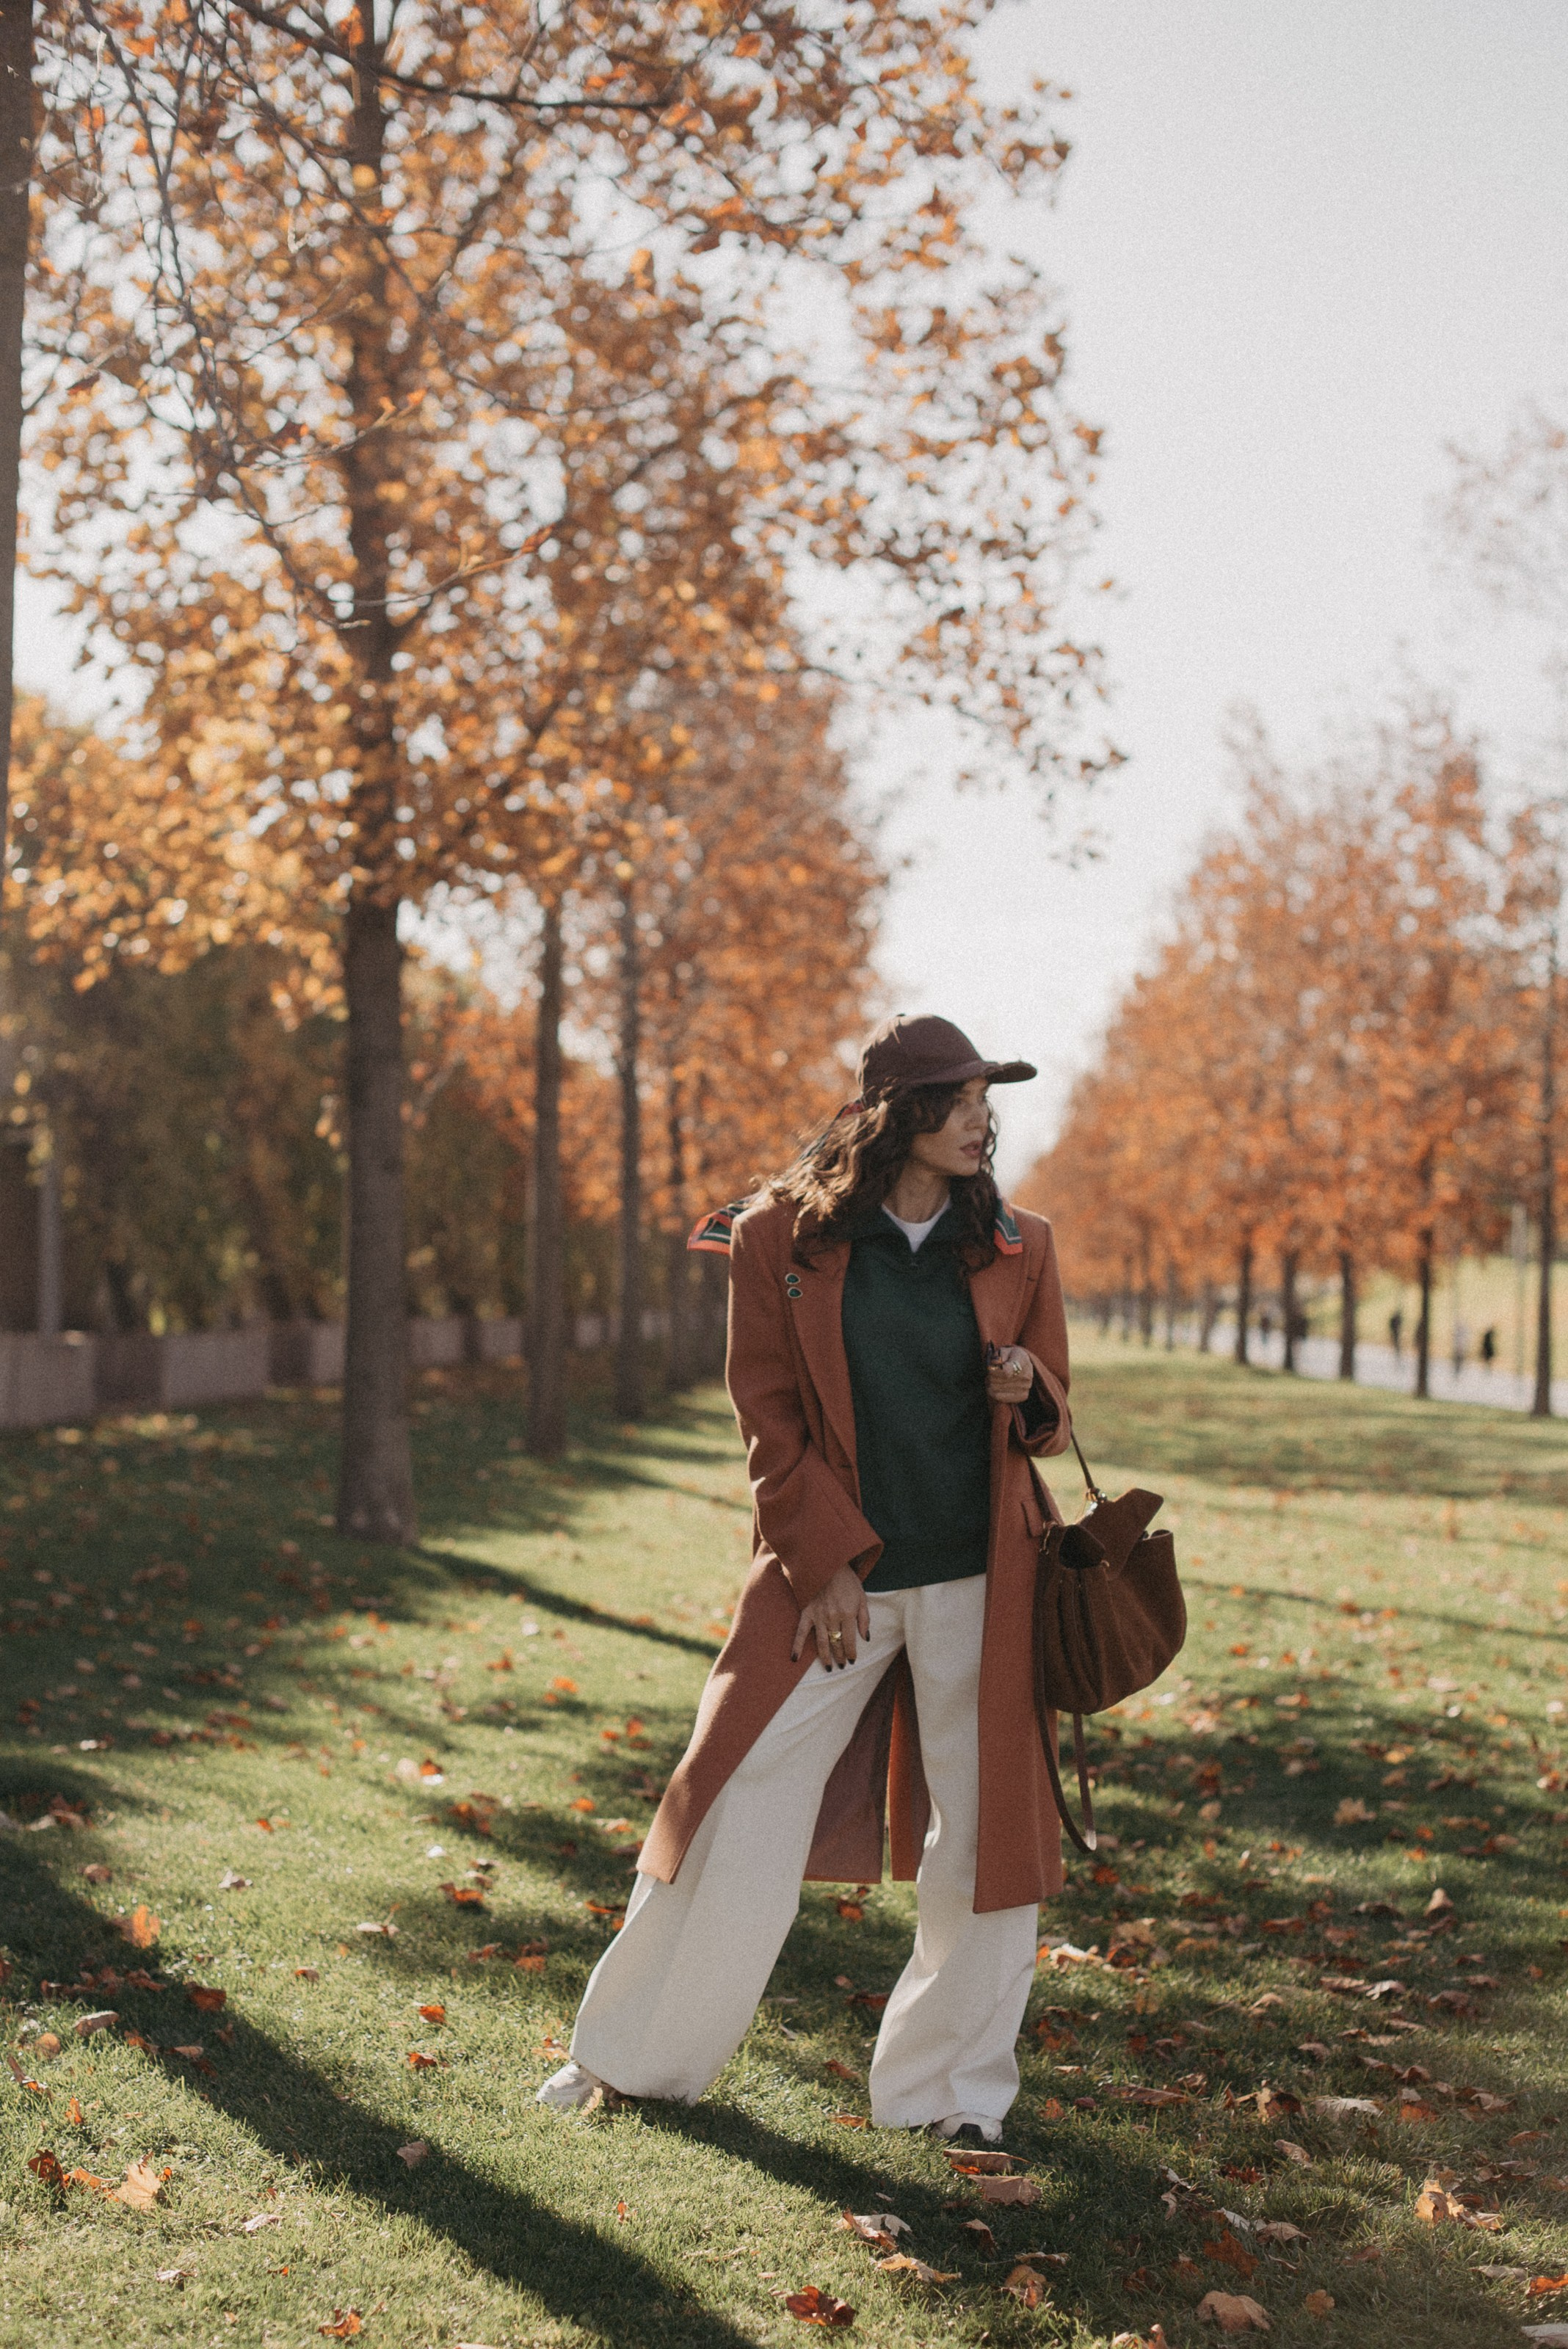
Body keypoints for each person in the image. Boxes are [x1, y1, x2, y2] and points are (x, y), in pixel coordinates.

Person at [536, 1013, 1074, 2146]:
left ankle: (949, 2099)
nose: (979, 1122)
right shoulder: (778, 1238)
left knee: (987, 1841)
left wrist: (1026, 1383)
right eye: (957, 1101)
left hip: (985, 1582)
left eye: (985, 1102)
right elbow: (767, 1418)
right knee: (733, 1794)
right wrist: (823, 1564)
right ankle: (629, 2060)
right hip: (834, 1582)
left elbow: (1051, 1419)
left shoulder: (1019, 1243)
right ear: (897, 1115)